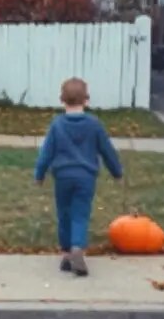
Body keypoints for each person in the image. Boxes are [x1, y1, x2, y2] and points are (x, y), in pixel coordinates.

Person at [34, 77, 123, 277]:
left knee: (64, 213)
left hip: (63, 177)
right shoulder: (94, 125)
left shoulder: (57, 125)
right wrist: (116, 172)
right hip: (86, 177)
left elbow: (46, 152)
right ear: (87, 100)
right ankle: (77, 249)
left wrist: (39, 174)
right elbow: (107, 150)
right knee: (80, 214)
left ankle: (66, 253)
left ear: (62, 100)